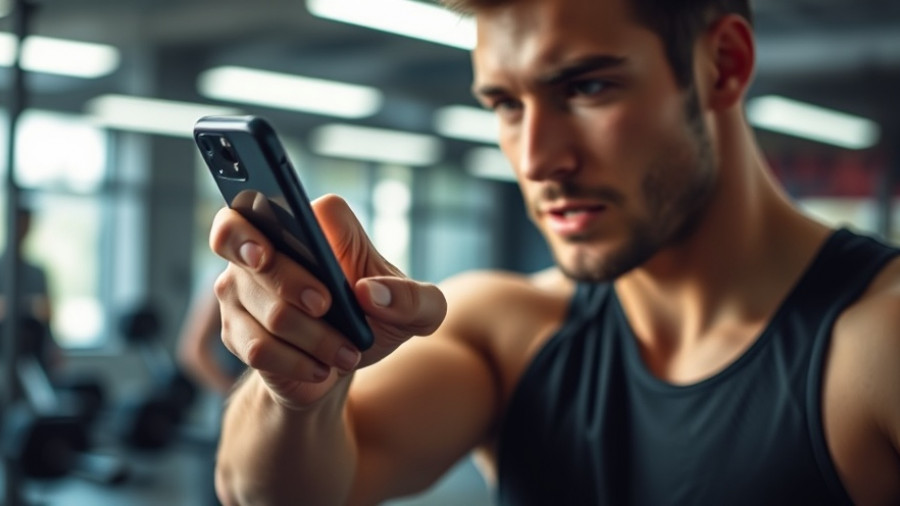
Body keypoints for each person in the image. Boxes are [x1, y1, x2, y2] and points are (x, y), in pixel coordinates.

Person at [208, 0, 900, 504]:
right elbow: (263, 493)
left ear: (723, 65)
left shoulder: (880, 343)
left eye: (587, 87)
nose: (537, 158)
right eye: (506, 104)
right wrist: (297, 392)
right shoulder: (503, 328)